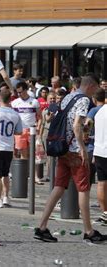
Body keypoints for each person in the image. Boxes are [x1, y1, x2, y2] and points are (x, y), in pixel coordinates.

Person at [34, 74, 107, 243]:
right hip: (74, 150)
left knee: (59, 186)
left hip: (63, 148)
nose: (95, 92)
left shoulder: (68, 97)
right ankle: (89, 231)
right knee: (84, 189)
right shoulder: (83, 100)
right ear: (90, 86)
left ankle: (42, 226)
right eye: (95, 88)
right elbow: (75, 125)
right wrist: (82, 147)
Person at [88, 88, 106, 223]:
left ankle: (104, 212)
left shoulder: (99, 112)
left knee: (101, 183)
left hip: (99, 150)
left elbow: (87, 126)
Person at [11, 82, 40, 161]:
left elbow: (39, 117)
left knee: (33, 154)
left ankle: (32, 173)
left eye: (20, 92)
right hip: (20, 131)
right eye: (18, 92)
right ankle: (24, 172)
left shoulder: (34, 101)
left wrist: (38, 127)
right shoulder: (14, 103)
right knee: (23, 154)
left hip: (32, 130)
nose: (19, 94)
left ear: (26, 90)